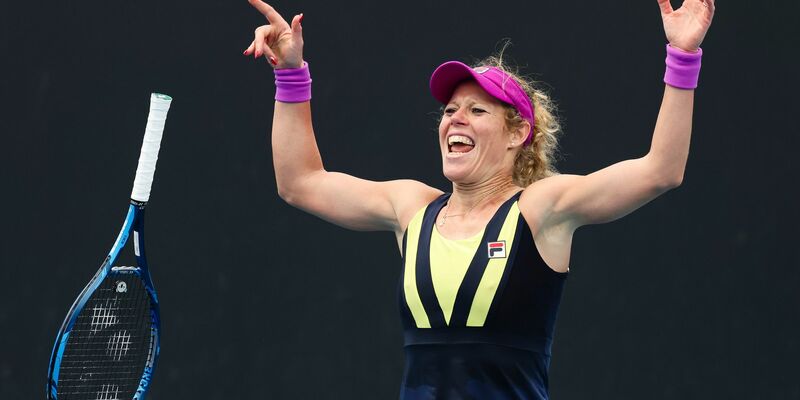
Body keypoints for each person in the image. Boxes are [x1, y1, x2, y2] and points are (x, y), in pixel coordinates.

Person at [243, 0, 715, 398]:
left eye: (476, 110)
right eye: (449, 109)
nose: (455, 118)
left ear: (518, 133)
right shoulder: (411, 209)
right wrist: (291, 72)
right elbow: (300, 182)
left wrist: (683, 55)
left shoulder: (540, 209)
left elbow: (661, 170)